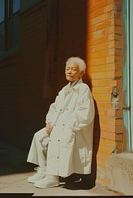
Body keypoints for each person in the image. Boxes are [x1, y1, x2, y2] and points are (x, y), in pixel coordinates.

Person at [27, 56, 95, 189]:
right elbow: (53, 108)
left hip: (70, 127)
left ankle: (53, 177)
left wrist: (67, 125)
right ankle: (44, 169)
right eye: (67, 69)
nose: (69, 72)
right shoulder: (64, 90)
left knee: (58, 139)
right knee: (39, 137)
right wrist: (49, 123)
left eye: (73, 69)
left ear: (81, 73)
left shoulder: (83, 89)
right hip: (57, 125)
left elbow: (85, 113)